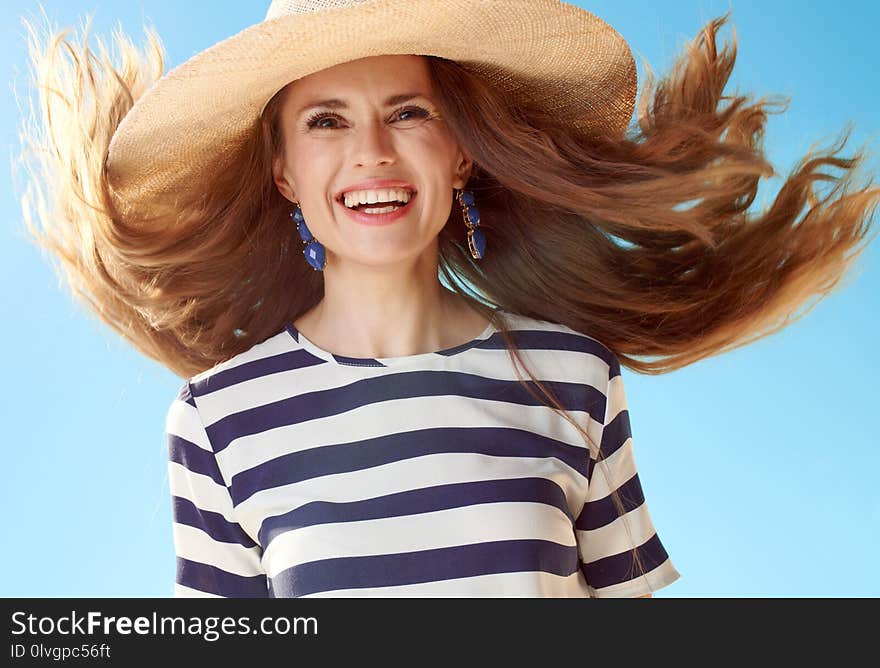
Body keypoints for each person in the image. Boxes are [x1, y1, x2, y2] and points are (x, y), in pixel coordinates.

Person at [17, 0, 877, 598]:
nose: (372, 154)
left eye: (409, 112)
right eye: (326, 121)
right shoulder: (217, 420)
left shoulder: (574, 377)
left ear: (460, 154)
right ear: (283, 172)